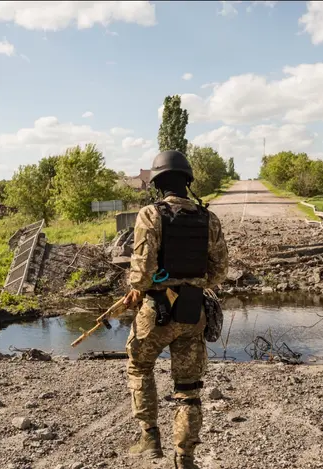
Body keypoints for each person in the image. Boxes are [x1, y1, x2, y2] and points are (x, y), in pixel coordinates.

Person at [123, 150, 229, 469]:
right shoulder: (208, 218)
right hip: (192, 312)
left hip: (155, 312)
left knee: (140, 368)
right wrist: (193, 282)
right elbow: (220, 271)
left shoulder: (150, 215)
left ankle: (150, 437)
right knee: (189, 391)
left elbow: (141, 274)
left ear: (157, 183)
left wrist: (136, 288)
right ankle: (185, 458)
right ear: (187, 181)